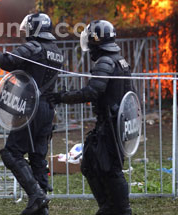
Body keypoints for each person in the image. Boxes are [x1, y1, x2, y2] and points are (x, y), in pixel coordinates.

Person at [49, 20, 133, 215]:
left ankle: (119, 208)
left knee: (110, 168)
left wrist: (62, 96)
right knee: (90, 163)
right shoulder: (119, 59)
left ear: (96, 41)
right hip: (113, 123)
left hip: (110, 125)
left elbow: (93, 92)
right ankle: (109, 206)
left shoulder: (105, 61)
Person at [0, 12, 64, 215]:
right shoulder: (56, 50)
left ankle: (36, 196)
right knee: (38, 157)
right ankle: (41, 208)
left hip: (31, 108)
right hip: (47, 109)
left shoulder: (34, 47)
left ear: (34, 29)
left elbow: (10, 61)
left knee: (11, 152)